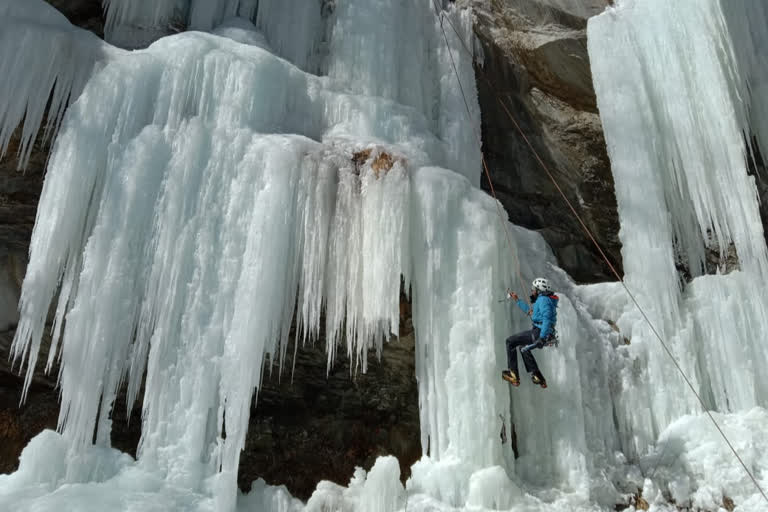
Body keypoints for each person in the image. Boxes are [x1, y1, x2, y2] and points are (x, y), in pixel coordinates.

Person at [502, 277, 559, 388]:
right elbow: (532, 313)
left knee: (510, 342)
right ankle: (538, 376)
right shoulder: (543, 300)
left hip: (539, 332)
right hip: (541, 331)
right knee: (523, 347)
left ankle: (513, 374)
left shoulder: (543, 300)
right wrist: (517, 300)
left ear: (539, 290)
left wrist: (542, 337)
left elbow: (547, 318)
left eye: (534, 289)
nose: (532, 291)